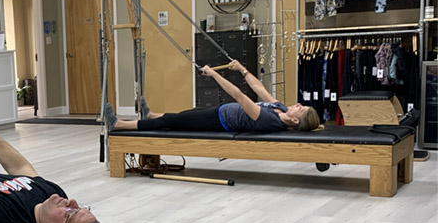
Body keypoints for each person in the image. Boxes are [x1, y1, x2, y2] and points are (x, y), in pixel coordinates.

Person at [106, 60, 321, 133]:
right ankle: (151, 114)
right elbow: (260, 89)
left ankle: (120, 125)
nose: (298, 104)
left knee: (170, 122)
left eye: (300, 109)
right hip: (219, 112)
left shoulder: (269, 120)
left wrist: (213, 74)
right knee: (183, 115)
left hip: (218, 121)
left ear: (295, 120)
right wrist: (242, 69)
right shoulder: (281, 110)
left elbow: (238, 95)